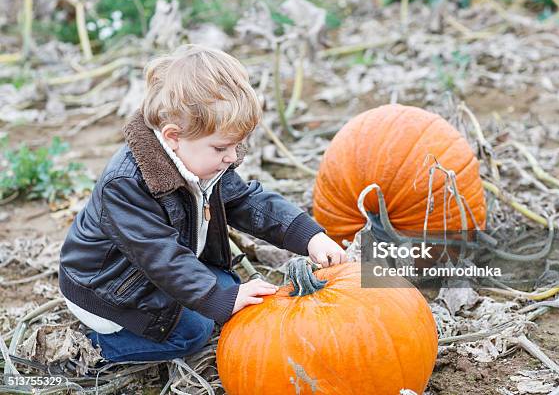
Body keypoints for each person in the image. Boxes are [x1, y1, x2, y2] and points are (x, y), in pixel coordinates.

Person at [58, 44, 347, 362]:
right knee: (191, 332)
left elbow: (247, 201)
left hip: (155, 271)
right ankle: (92, 351)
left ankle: (202, 301)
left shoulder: (201, 159)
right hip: (109, 290)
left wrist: (309, 236)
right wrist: (215, 298)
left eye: (239, 145)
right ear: (172, 137)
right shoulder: (126, 185)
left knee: (229, 288)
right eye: (222, 146)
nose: (233, 157)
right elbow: (162, 258)